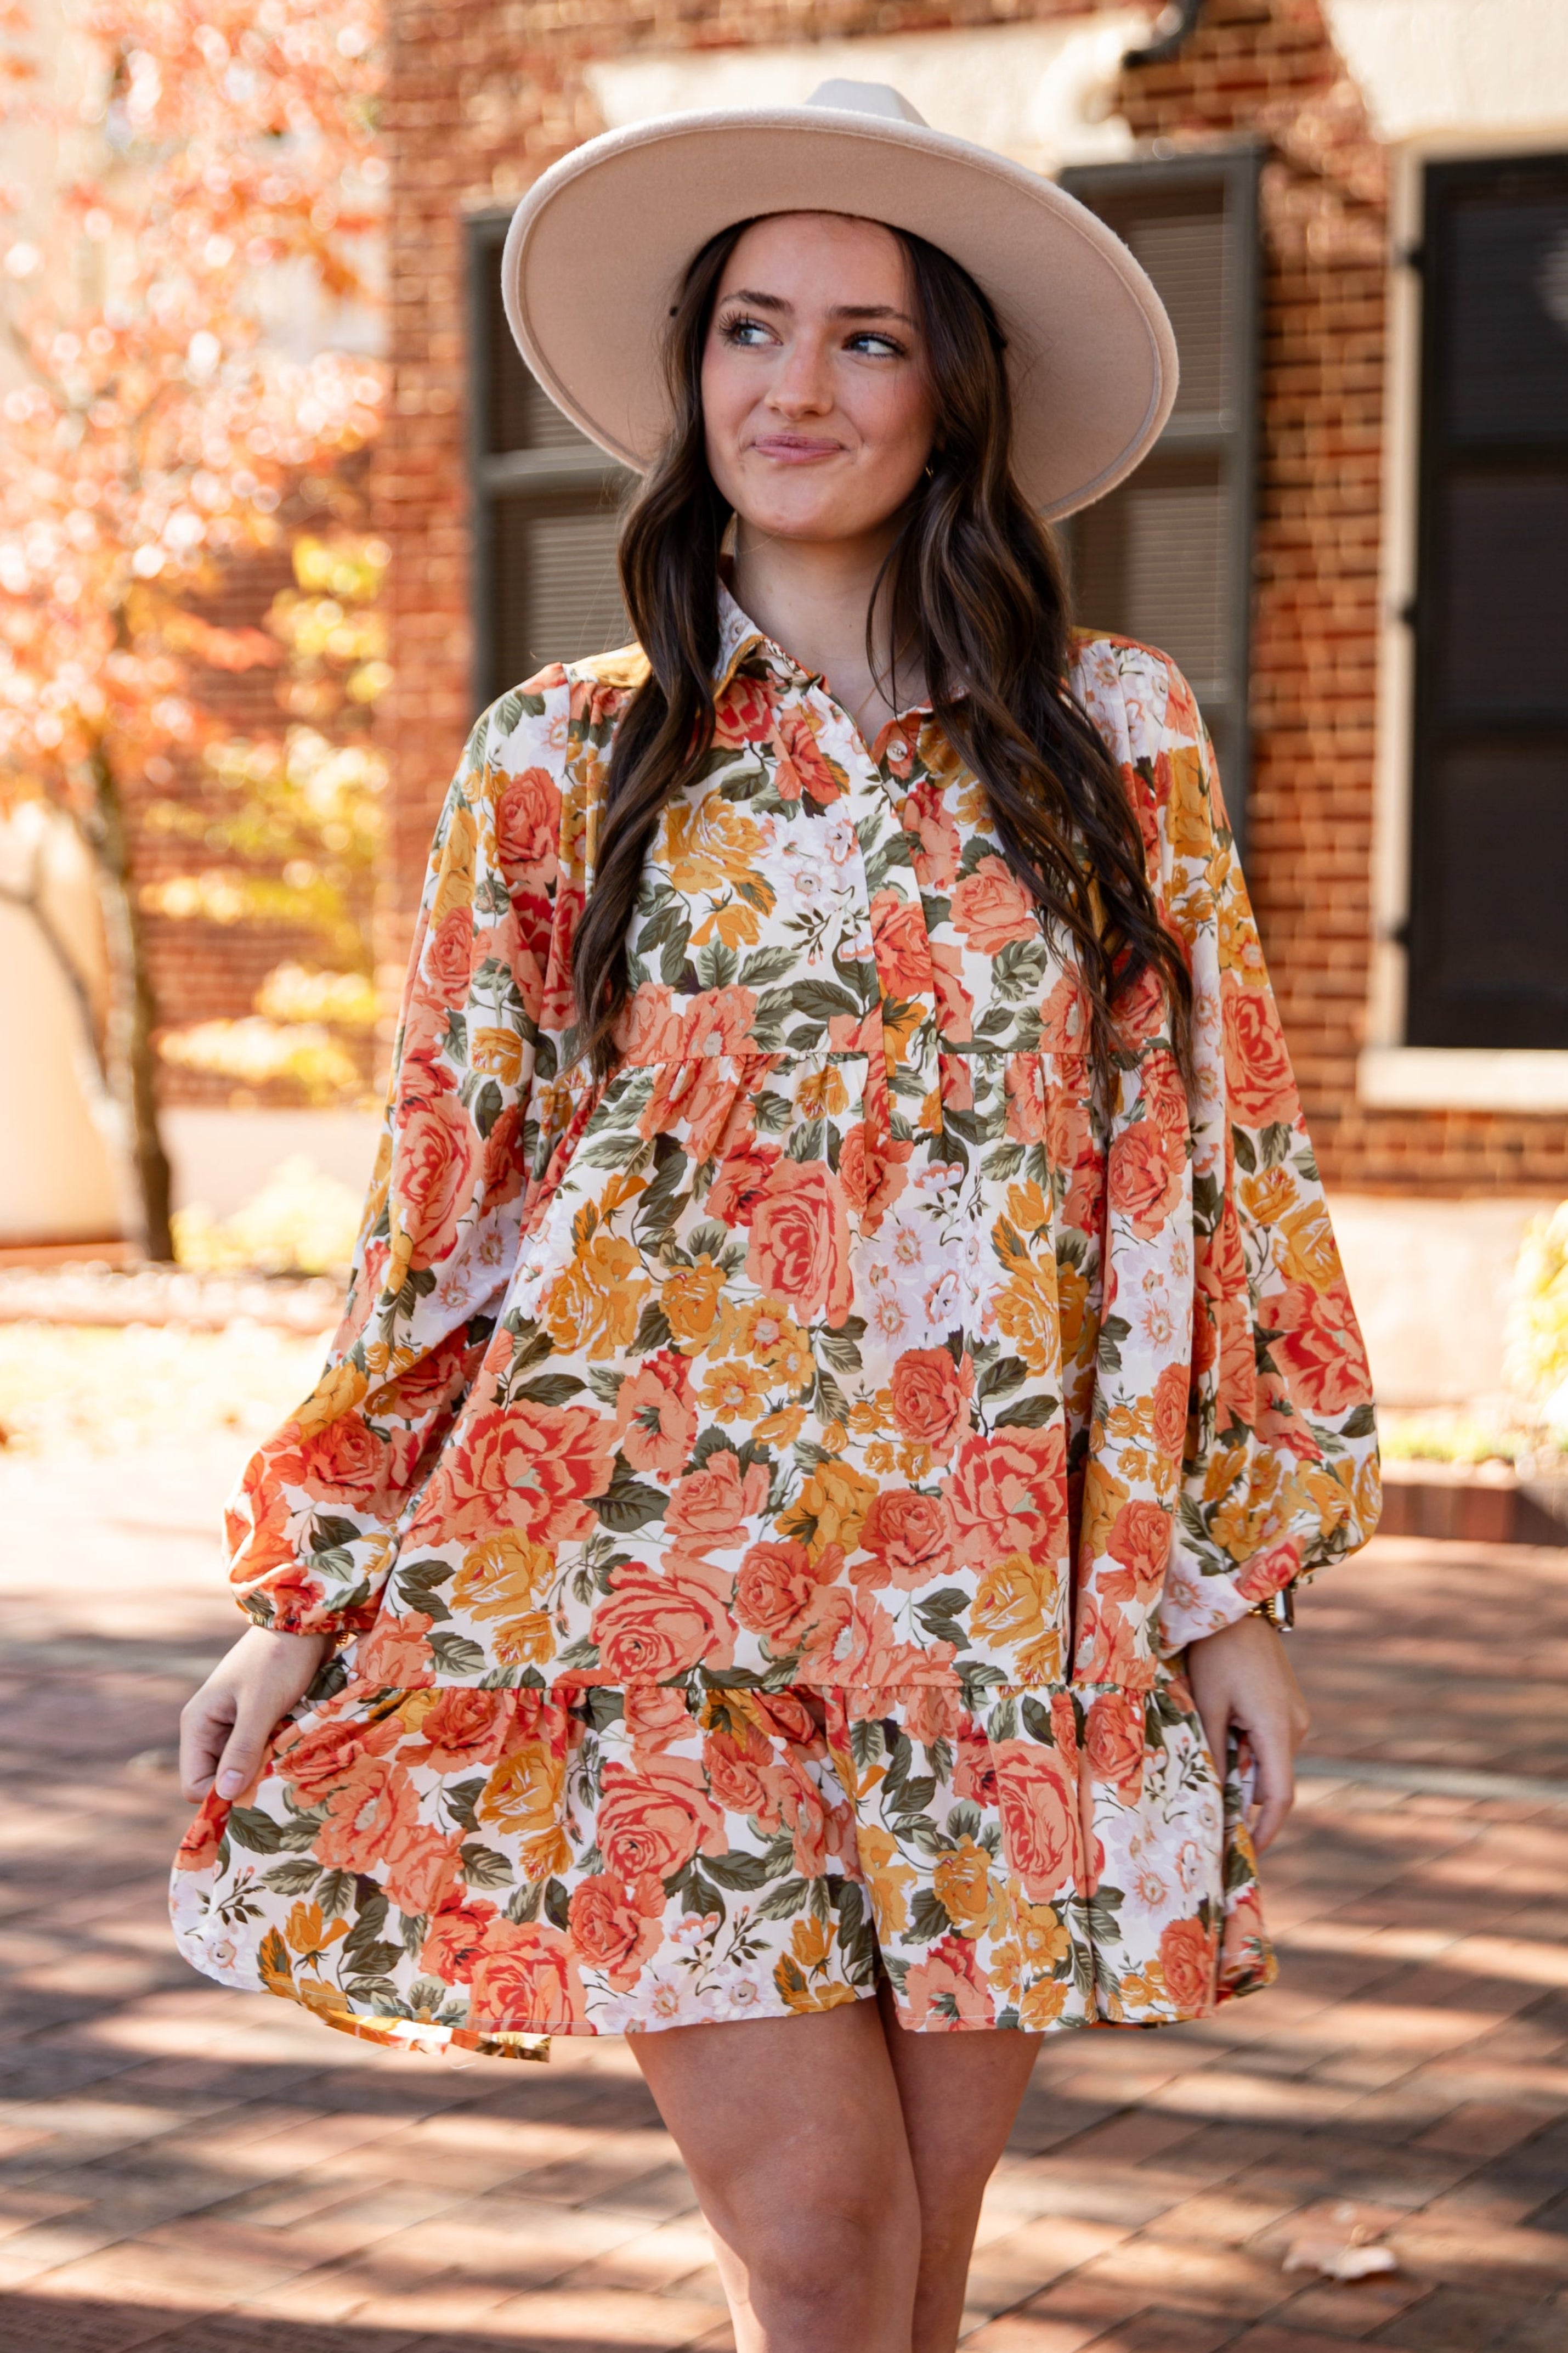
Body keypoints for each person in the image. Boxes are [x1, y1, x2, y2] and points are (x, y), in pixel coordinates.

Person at [173, 82, 1380, 2353]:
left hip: (998, 1608)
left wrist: (1231, 1587)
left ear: (954, 390)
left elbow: (1219, 1165)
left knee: (912, 2269)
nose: (793, 387)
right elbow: (448, 1193)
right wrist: (312, 1583)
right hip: (650, 1589)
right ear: (690, 367)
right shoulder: (562, 756)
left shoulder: (1114, 741)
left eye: (863, 339)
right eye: (749, 327)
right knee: (818, 2248)